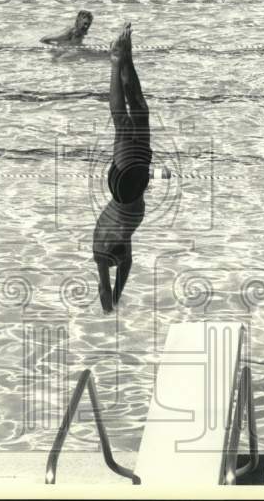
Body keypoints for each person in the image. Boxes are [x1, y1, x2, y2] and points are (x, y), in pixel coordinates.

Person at [91, 23, 152, 314]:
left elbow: (105, 289)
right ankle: (126, 58)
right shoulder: (118, 250)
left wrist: (108, 312)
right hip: (132, 182)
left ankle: (116, 60)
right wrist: (113, 304)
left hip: (126, 184)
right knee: (139, 110)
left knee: (123, 121)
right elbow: (110, 287)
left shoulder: (104, 249)